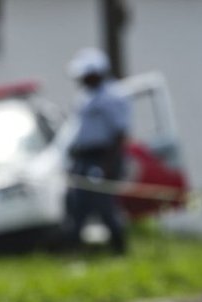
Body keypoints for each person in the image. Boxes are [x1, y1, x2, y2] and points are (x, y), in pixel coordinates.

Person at [65, 47, 131, 254]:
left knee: (104, 205)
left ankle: (119, 249)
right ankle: (75, 249)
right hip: (84, 157)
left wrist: (109, 164)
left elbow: (119, 134)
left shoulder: (112, 97)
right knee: (77, 204)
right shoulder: (86, 97)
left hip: (102, 158)